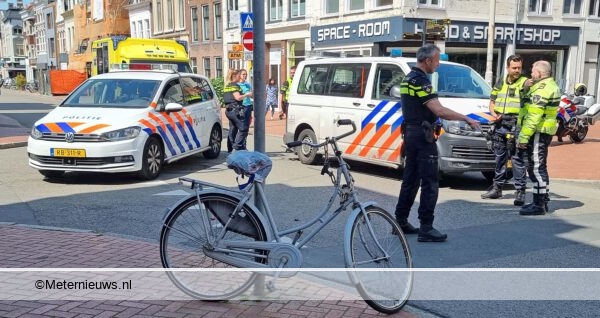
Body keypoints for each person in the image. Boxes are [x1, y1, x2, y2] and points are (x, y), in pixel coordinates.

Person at [394, 44, 480, 242]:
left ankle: (400, 221)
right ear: (428, 60)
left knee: (411, 180)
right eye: (437, 60)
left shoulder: (408, 78)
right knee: (430, 183)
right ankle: (426, 227)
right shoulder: (421, 81)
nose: (438, 64)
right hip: (423, 137)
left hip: (411, 134)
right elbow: (439, 110)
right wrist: (466, 118)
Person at [481, 55, 529, 206]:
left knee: (517, 159)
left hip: (516, 124)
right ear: (507, 68)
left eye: (519, 68)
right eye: (514, 68)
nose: (517, 71)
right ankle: (497, 188)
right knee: (500, 158)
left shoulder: (524, 82)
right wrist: (493, 114)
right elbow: (492, 101)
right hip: (500, 124)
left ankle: (520, 192)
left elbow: (530, 83)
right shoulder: (501, 81)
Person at [517, 60, 560, 215]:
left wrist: (523, 138)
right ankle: (541, 201)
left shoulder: (542, 89)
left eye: (533, 71)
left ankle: (539, 205)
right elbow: (526, 103)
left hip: (538, 132)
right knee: (539, 167)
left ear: (540, 74)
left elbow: (534, 116)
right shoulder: (544, 86)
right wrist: (525, 88)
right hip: (541, 131)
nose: (531, 74)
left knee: (536, 168)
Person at [223, 69, 253, 152]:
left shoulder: (227, 85)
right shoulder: (234, 85)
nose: (241, 76)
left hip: (229, 110)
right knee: (243, 129)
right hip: (235, 110)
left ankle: (234, 147)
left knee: (233, 129)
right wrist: (247, 94)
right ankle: (236, 147)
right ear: (235, 76)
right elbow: (238, 97)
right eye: (240, 75)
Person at [238, 69, 253, 149]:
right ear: (239, 75)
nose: (245, 76)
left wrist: (251, 95)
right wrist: (246, 94)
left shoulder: (247, 84)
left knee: (247, 126)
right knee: (242, 127)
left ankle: (244, 145)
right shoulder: (237, 85)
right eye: (243, 74)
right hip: (242, 106)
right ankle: (239, 145)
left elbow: (252, 94)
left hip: (248, 106)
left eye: (246, 74)